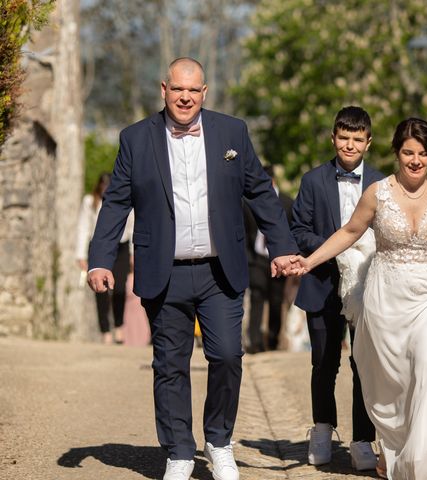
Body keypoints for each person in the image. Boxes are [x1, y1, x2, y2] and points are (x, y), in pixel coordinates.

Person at [87, 57, 298, 480]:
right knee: (170, 365)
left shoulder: (232, 131)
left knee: (227, 355)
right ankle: (179, 451)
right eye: (178, 89)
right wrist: (99, 259)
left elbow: (259, 190)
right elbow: (116, 204)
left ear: (205, 93)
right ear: (163, 89)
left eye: (194, 90)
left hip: (221, 271)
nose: (185, 97)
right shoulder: (135, 139)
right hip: (163, 271)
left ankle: (219, 441)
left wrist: (281, 246)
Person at [290, 117, 427, 479]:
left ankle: (420, 463)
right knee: (390, 378)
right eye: (407, 152)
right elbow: (350, 231)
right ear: (396, 153)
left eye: (423, 154)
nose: (415, 160)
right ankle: (391, 446)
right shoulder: (378, 192)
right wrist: (308, 261)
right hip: (387, 294)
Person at [291, 106, 384, 471]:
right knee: (324, 361)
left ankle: (363, 438)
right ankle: (322, 427)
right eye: (343, 138)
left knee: (364, 363)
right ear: (333, 138)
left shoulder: (381, 182)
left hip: (368, 286)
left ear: (368, 143)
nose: (349, 144)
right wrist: (336, 246)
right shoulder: (312, 181)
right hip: (322, 283)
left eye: (357, 139)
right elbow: (297, 229)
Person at [76, 172, 133, 344]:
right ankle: (105, 331)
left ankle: (119, 327)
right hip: (99, 247)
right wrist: (81, 254)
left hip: (122, 246)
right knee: (100, 290)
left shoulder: (125, 198)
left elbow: (132, 226)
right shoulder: (90, 202)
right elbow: (83, 227)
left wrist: (133, 252)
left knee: (120, 289)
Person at [243, 164, 294, 353]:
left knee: (275, 299)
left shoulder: (288, 203)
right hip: (256, 259)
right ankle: (255, 342)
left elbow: (293, 231)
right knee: (256, 297)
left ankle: (272, 339)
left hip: (278, 259)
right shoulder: (248, 202)